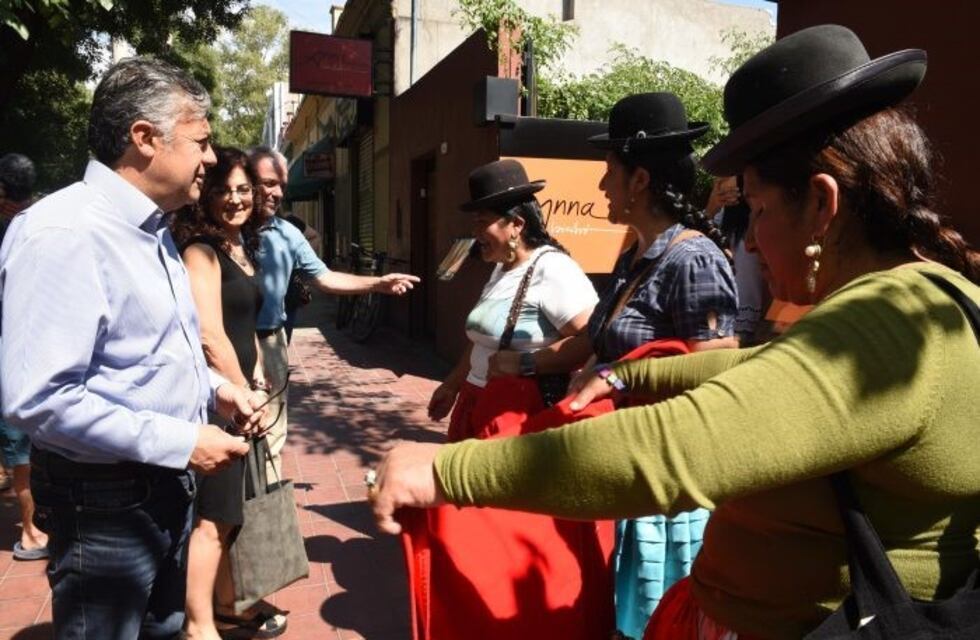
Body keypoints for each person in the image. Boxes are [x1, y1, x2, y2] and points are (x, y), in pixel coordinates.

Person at [370, 24, 980, 639]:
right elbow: (758, 367)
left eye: (757, 210)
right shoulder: (902, 306)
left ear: (822, 205)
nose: (751, 243)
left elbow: (675, 446)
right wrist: (626, 375)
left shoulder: (892, 325)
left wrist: (451, 472)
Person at [0, 57, 265, 640]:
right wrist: (182, 441)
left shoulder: (154, 230)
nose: (211, 159)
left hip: (161, 485)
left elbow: (153, 353)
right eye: (200, 141)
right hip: (105, 503)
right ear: (144, 138)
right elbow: (38, 400)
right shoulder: (64, 232)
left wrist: (217, 391)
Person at [575, 93, 738, 639]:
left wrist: (615, 380)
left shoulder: (694, 258)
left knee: (656, 622)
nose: (603, 184)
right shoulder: (638, 255)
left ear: (639, 179)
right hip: (626, 467)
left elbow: (715, 373)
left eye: (609, 170)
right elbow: (606, 343)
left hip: (664, 485)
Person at [247, 146, 419, 478]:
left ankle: (267, 497)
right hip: (225, 341)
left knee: (271, 432)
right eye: (268, 183)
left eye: (282, 185)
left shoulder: (287, 233)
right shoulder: (222, 227)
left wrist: (377, 284)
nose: (277, 193)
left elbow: (325, 278)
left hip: (271, 343)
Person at [171, 146, 285, 640]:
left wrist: (257, 377)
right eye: (223, 190)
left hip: (243, 396)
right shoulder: (201, 250)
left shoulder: (241, 246)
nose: (235, 199)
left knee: (231, 514)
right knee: (213, 518)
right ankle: (198, 626)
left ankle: (226, 605)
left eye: (243, 189)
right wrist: (242, 394)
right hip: (218, 402)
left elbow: (245, 327)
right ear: (206, 196)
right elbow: (210, 336)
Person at [427, 158, 599, 440]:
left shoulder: (552, 268)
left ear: (516, 224)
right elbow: (484, 340)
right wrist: (452, 385)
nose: (475, 233)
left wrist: (526, 363)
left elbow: (591, 339)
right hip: (475, 400)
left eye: (483, 222)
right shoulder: (501, 268)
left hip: (514, 411)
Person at [0, 152, 49, 562]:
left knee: (19, 443)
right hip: (38, 345)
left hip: (11, 348)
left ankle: (33, 530)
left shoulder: (13, 229)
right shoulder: (42, 223)